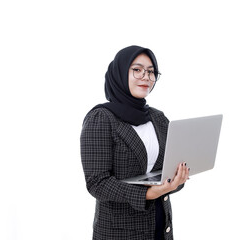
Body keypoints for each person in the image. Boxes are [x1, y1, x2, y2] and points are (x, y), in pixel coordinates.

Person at [80, 45, 190, 240]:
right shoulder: (101, 118)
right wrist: (148, 194)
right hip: (119, 233)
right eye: (137, 70)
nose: (146, 77)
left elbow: (165, 170)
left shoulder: (158, 118)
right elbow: (97, 183)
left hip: (160, 227)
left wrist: (176, 181)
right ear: (121, 73)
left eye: (151, 72)